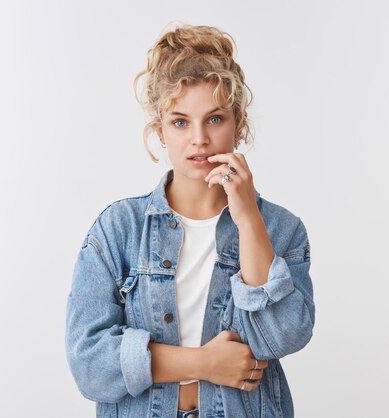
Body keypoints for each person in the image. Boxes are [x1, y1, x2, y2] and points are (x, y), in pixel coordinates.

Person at [65, 24, 315, 418]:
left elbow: (282, 336)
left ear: (239, 123)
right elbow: (89, 364)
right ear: (160, 131)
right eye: (180, 122)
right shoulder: (118, 230)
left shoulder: (281, 228)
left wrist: (248, 217)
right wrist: (203, 362)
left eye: (215, 119)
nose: (199, 138)